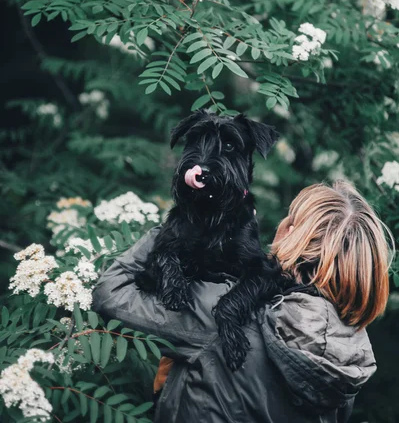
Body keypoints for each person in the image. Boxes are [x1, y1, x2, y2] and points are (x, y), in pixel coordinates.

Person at [92, 181, 393, 423]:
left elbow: (111, 292)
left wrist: (179, 226)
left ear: (291, 234)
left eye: (289, 217)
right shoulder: (350, 350)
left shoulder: (227, 311)